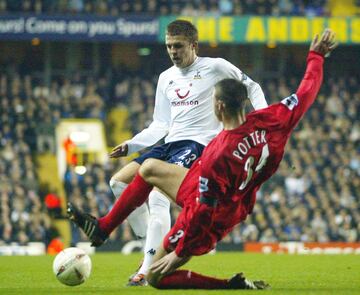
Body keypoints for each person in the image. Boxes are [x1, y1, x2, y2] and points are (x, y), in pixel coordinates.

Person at [68, 28, 337, 289]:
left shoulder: (216, 154)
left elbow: (202, 212)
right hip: (235, 200)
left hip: (210, 215)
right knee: (148, 168)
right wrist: (316, 58)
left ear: (218, 106)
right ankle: (103, 228)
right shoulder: (273, 120)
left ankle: (226, 285)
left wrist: (180, 250)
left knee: (154, 276)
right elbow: (306, 93)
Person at [103, 19, 267, 285]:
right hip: (170, 144)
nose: (173, 52)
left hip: (200, 147)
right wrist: (132, 144)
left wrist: (260, 124)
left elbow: (253, 88)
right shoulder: (165, 78)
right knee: (117, 182)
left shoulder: (215, 67)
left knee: (157, 196)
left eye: (178, 46)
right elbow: (161, 124)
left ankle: (146, 267)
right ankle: (149, 251)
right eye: (169, 46)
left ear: (194, 45)